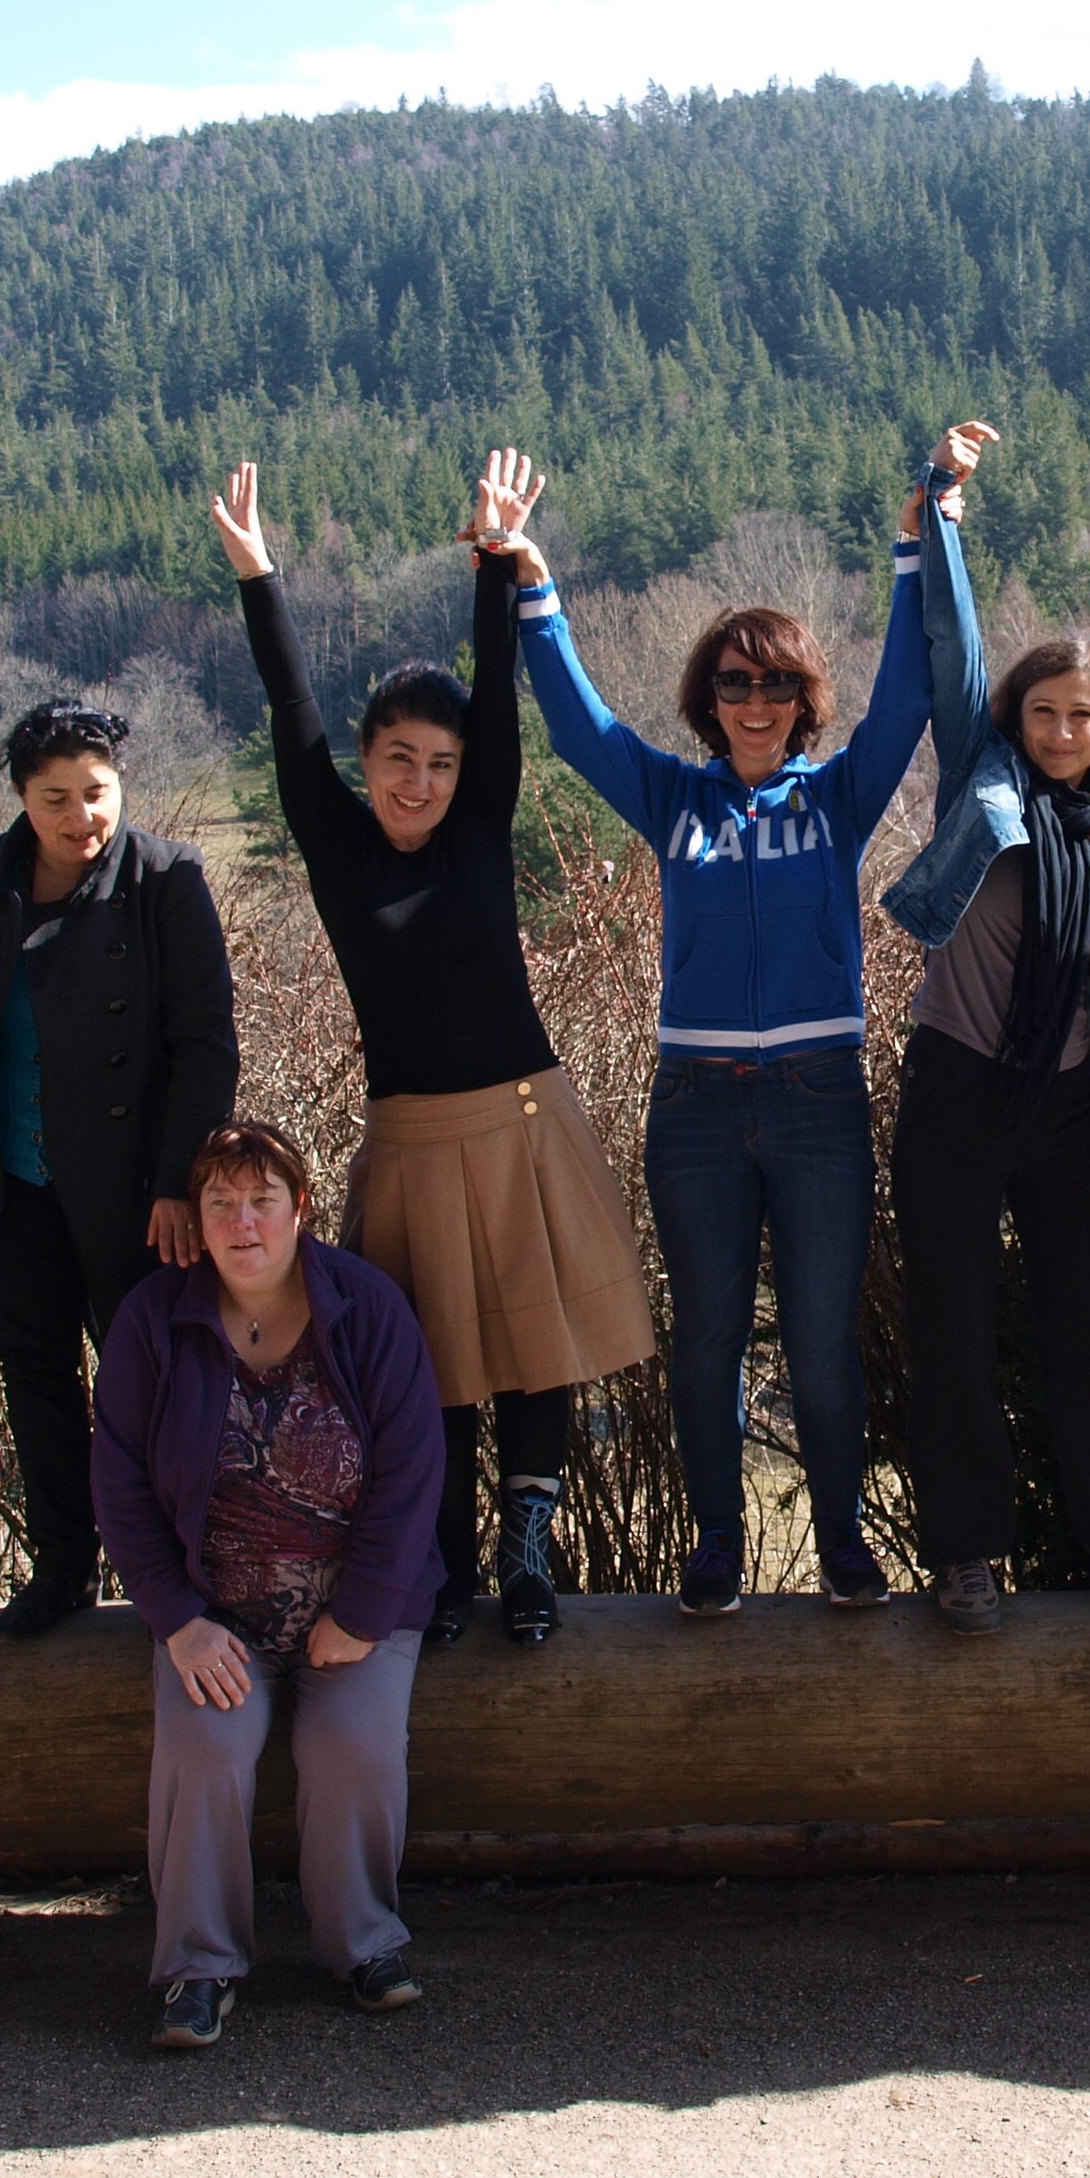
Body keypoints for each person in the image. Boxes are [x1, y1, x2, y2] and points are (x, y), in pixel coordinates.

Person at [208, 454, 655, 1652]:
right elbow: (290, 707)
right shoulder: (338, 844)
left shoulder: (481, 827)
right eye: (400, 757)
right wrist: (258, 575)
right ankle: (446, 1570)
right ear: (368, 762)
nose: (422, 779)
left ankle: (528, 1560)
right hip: (409, 1138)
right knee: (437, 1366)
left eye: (443, 762)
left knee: (537, 1350)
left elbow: (497, 689)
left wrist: (498, 557)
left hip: (523, 1117)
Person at [508, 438, 949, 1617]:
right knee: (705, 1338)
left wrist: (917, 548)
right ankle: (715, 1547)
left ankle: (844, 1543)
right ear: (707, 701)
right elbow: (577, 730)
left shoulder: (838, 796)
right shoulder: (674, 799)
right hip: (695, 1108)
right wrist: (533, 589)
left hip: (818, 1101)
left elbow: (909, 700)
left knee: (820, 1339)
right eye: (735, 685)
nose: (756, 703)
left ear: (805, 702)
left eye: (777, 686)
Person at [880, 427, 1090, 1633]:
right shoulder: (984, 777)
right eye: (1046, 711)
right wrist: (941, 510)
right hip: (958, 1089)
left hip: (1063, 1102)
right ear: (1017, 715)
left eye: (1084, 716)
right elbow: (952, 647)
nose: (1062, 730)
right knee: (954, 1328)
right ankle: (967, 1557)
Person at [93, 1121, 445, 2049]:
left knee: (353, 1746)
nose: (242, 1222)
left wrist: (360, 1614)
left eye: (262, 1201)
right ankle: (199, 1969)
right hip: (215, 1616)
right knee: (205, 1749)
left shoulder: (366, 1307)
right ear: (197, 1218)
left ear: (301, 1210)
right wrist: (178, 1620)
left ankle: (365, 1946)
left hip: (357, 1610)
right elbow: (118, 1484)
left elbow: (413, 1470)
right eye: (221, 1203)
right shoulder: (152, 1320)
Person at [0, 701, 239, 1639]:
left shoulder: (165, 878)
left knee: (158, 1386)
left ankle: (180, 1577)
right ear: (22, 797)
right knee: (36, 1381)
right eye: (55, 798)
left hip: (134, 1193)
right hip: (9, 1182)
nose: (81, 816)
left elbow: (206, 1044)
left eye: (96, 792)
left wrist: (178, 1184)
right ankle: (61, 1571)